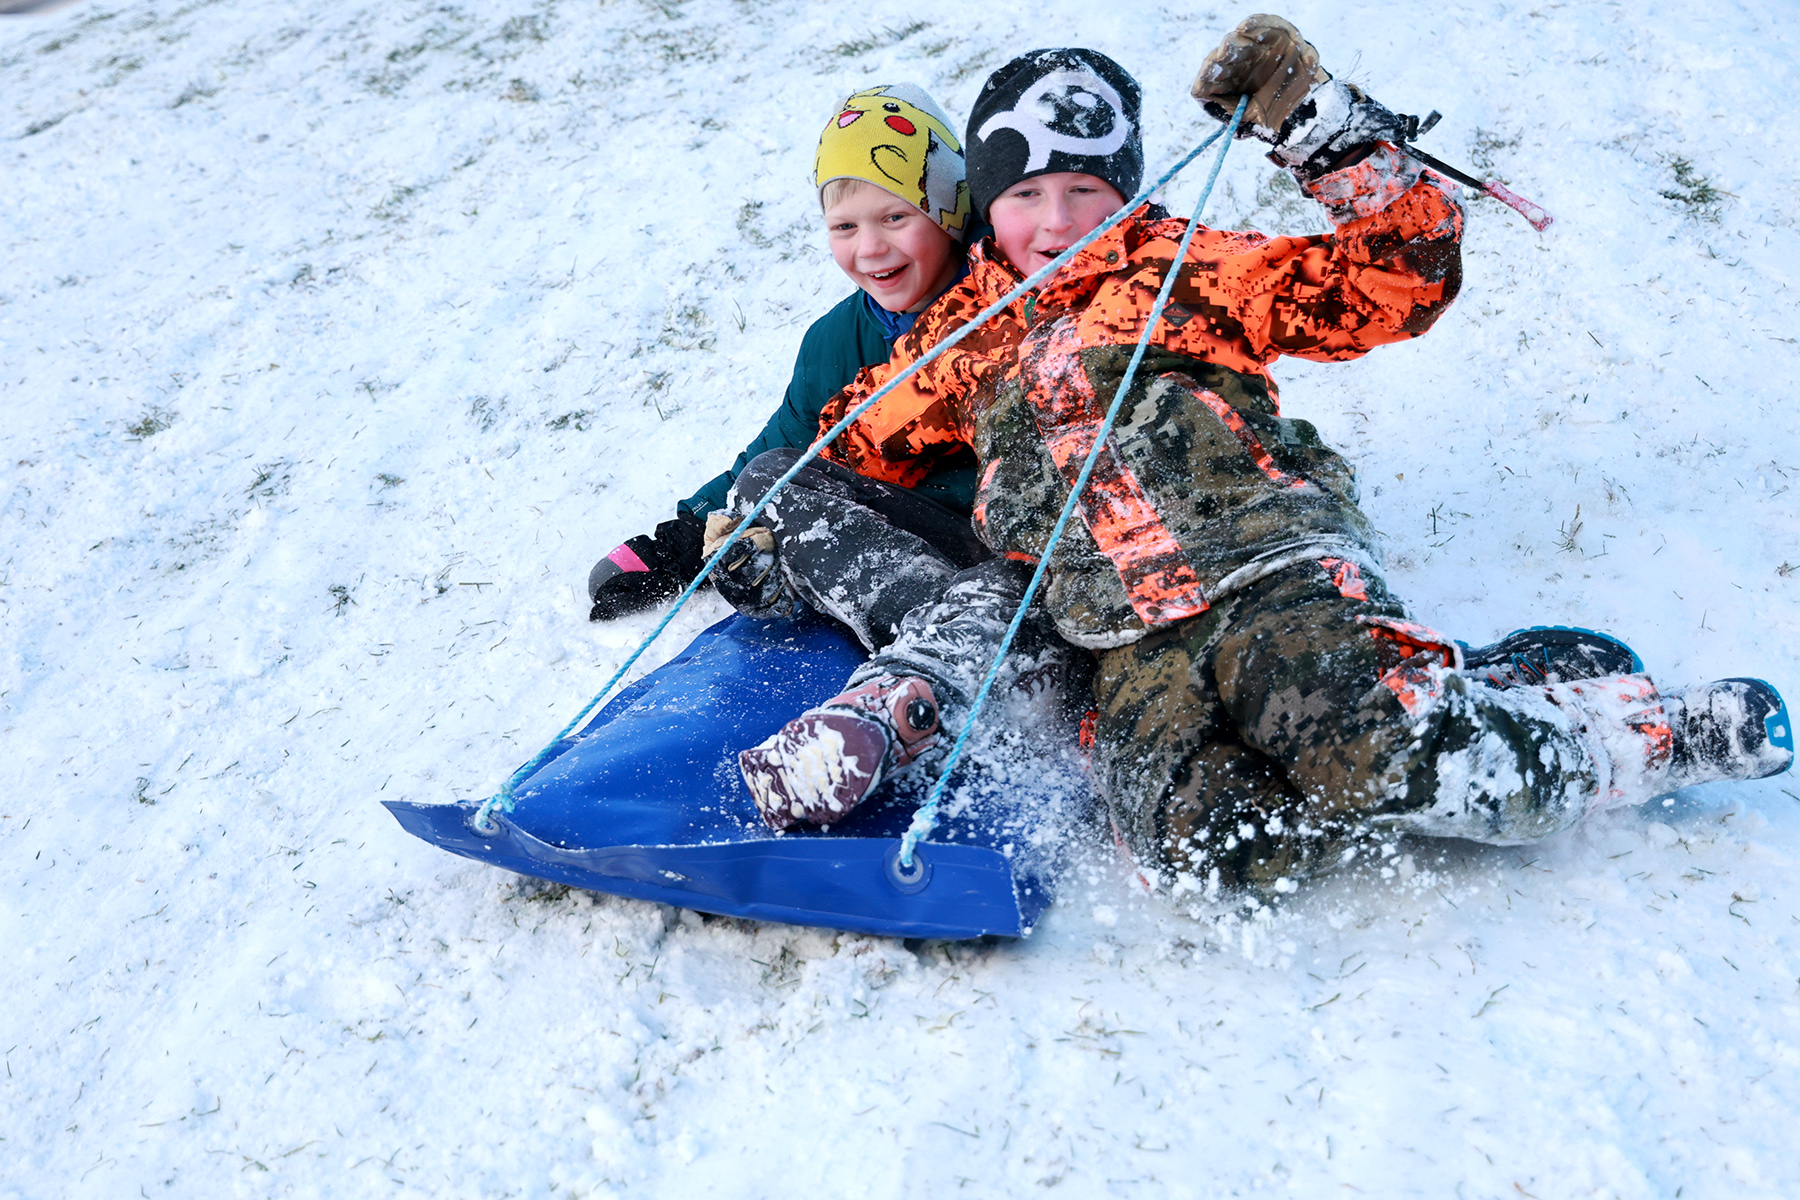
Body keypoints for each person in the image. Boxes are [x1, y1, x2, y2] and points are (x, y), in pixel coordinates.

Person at [722, 23, 1793, 894]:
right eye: (1025, 196)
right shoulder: (968, 336)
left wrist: (1322, 133)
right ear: (984, 210)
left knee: (1380, 756)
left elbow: (1398, 277)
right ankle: (1467, 683)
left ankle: (1648, 735)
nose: (1056, 223)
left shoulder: (1187, 271)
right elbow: (832, 444)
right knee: (1217, 852)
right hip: (1120, 638)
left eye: (1085, 192)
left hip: (1261, 567)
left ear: (1128, 193)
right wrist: (736, 529)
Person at [583, 83, 978, 621]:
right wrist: (687, 535)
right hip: (909, 539)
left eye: (895, 217)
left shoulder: (1007, 292)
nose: (869, 248)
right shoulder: (836, 340)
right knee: (770, 479)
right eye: (844, 226)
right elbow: (789, 441)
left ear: (948, 212)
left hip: (1017, 535)